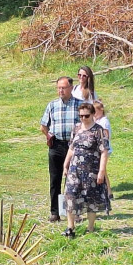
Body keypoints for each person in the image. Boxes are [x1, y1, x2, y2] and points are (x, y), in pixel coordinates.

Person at [63, 102, 110, 237]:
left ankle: (90, 228)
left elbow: (104, 152)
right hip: (74, 169)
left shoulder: (98, 130)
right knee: (70, 194)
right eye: (81, 116)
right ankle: (70, 227)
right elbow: (72, 148)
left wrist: (101, 171)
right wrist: (65, 164)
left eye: (86, 116)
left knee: (90, 198)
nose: (83, 118)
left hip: (91, 170)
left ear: (93, 115)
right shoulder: (76, 128)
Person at [41, 77, 82, 222]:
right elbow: (43, 125)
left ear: (71, 88)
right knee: (55, 179)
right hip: (56, 146)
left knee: (74, 181)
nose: (61, 91)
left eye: (63, 88)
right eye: (59, 88)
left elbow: (87, 124)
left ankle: (74, 212)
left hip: (73, 147)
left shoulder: (79, 105)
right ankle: (55, 212)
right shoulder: (52, 105)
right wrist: (49, 136)